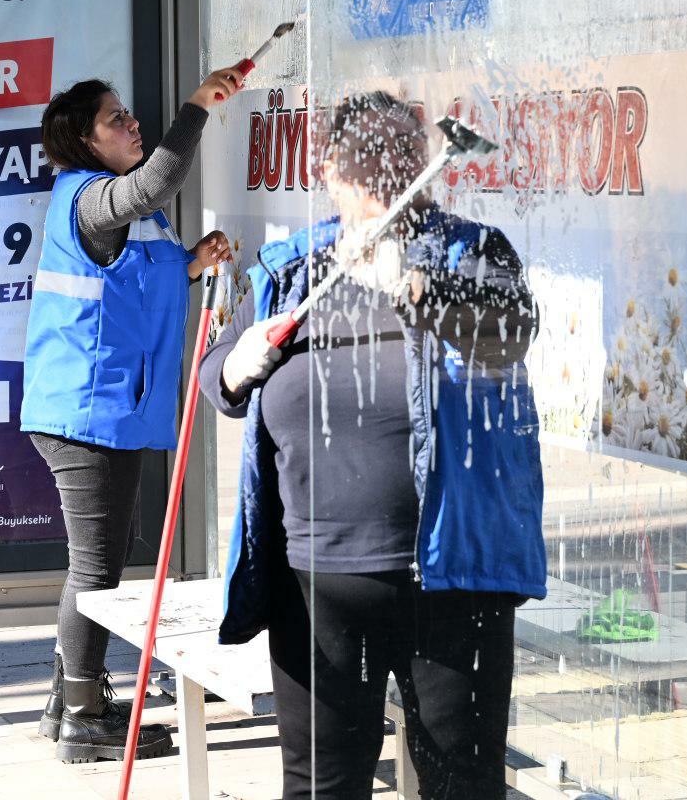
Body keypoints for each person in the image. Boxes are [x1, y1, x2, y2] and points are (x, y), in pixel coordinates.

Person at [199, 92, 547, 800]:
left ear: (424, 163)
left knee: (463, 786)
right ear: (329, 171)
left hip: (452, 580)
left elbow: (512, 333)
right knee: (322, 787)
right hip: (316, 585)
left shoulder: (472, 253)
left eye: (399, 155)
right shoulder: (291, 270)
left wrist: (418, 287)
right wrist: (235, 368)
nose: (383, 174)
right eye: (364, 159)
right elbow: (217, 377)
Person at [22, 67, 241, 763]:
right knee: (97, 572)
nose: (133, 125)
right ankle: (85, 717)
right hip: (87, 414)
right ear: (84, 141)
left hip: (102, 408)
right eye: (117, 119)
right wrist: (197, 108)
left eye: (129, 115)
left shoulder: (118, 213)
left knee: (96, 564)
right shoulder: (92, 199)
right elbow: (154, 182)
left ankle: (69, 702)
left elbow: (130, 287)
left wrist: (190, 267)